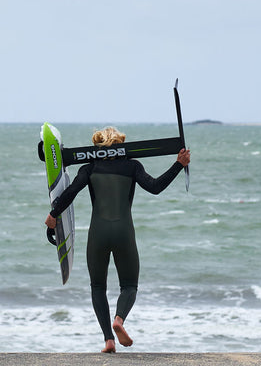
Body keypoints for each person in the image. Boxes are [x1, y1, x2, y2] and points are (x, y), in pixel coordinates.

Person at [45, 126, 191, 353]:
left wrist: (53, 215)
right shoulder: (132, 166)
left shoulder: (88, 168)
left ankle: (108, 341)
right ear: (121, 144)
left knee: (97, 287)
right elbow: (155, 187)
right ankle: (119, 320)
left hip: (98, 233)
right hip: (124, 232)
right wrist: (178, 165)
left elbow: (70, 192)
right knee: (130, 286)